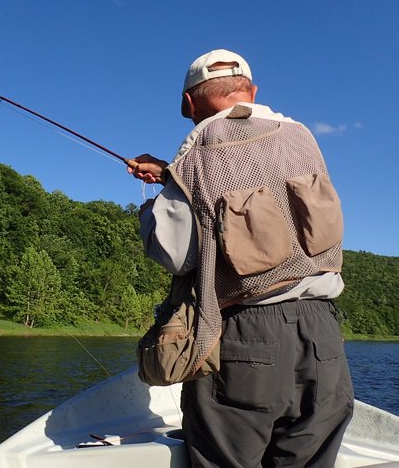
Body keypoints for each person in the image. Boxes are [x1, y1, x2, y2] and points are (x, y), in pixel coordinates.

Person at [128, 49, 354, 467]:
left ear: (190, 103)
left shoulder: (198, 146)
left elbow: (175, 254)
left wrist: (152, 207)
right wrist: (172, 175)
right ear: (251, 92)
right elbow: (256, 176)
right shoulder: (302, 134)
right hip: (324, 338)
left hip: (245, 338)